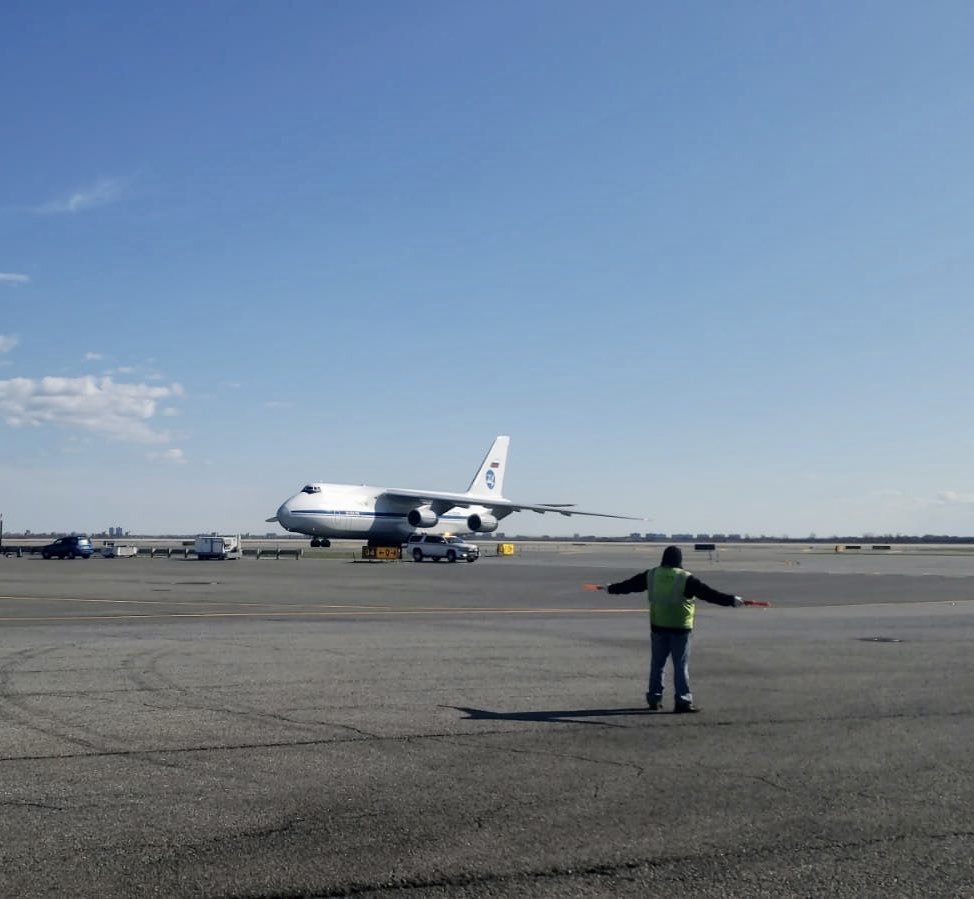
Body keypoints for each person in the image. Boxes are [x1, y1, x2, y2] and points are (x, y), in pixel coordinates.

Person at [597, 545, 745, 713]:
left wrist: (610, 588)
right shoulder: (685, 578)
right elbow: (709, 594)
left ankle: (654, 698)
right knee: (680, 666)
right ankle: (682, 701)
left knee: (657, 664)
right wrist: (732, 600)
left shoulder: (652, 574)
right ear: (679, 560)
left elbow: (629, 585)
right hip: (680, 628)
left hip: (658, 626)